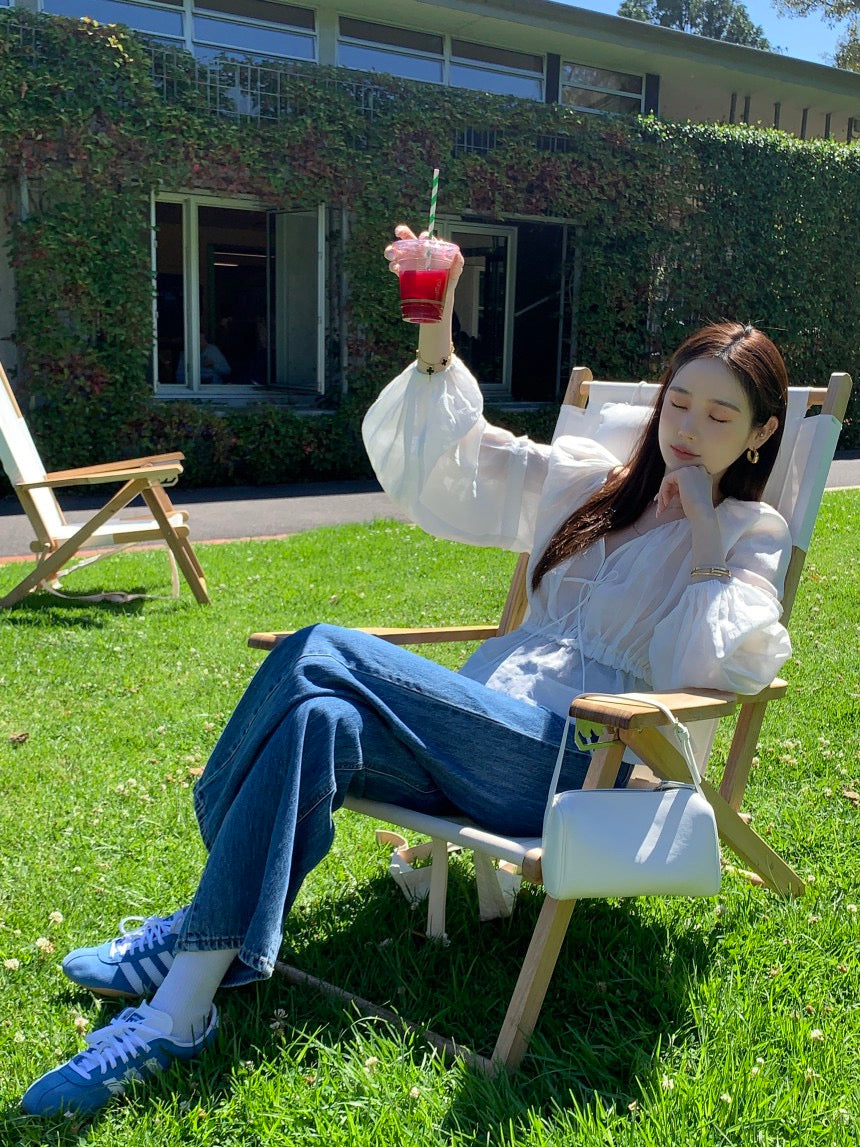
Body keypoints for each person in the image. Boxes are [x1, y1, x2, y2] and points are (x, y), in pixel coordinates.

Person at [22, 226, 793, 1117]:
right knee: (319, 718)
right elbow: (465, 457)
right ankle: (181, 1008)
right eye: (678, 403)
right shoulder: (595, 483)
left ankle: (198, 927)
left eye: (719, 416)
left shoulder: (750, 536)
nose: (688, 428)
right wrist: (438, 322)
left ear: (762, 432)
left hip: (585, 758)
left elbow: (714, 671)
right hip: (481, 734)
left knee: (322, 647)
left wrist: (703, 526)